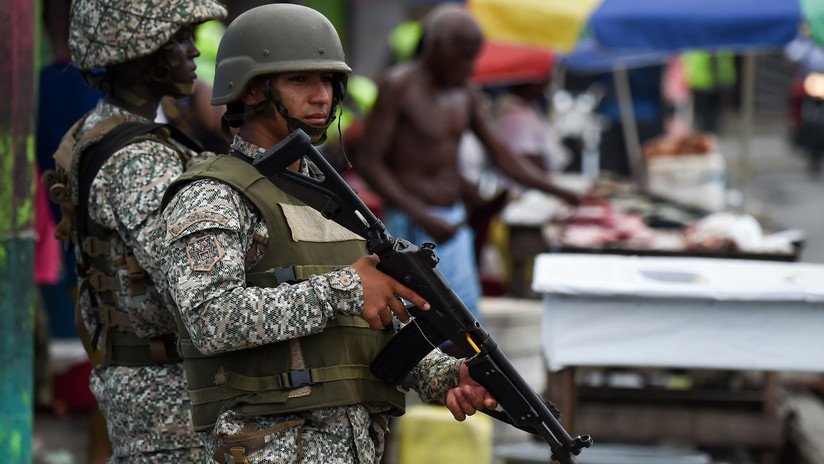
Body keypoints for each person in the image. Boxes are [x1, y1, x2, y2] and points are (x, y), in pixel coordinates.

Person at [159, 5, 497, 463]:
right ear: (254, 88)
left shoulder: (332, 201)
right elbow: (210, 320)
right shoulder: (214, 195)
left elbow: (369, 337)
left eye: (329, 82)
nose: (323, 97)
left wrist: (446, 375)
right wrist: (346, 288)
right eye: (301, 81)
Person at [44, 0, 227, 461]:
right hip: (164, 393)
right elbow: (195, 289)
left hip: (150, 383)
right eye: (180, 40)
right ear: (142, 52)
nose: (194, 52)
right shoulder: (139, 159)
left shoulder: (106, 129)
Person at [354, 4, 580, 320]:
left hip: (452, 222)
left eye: (473, 56)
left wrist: (561, 192)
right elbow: (369, 162)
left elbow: (502, 155)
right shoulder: (399, 87)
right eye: (462, 57)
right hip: (411, 223)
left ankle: (462, 372)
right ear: (437, 48)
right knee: (417, 318)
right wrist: (422, 215)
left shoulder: (466, 94)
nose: (469, 66)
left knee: (466, 317)